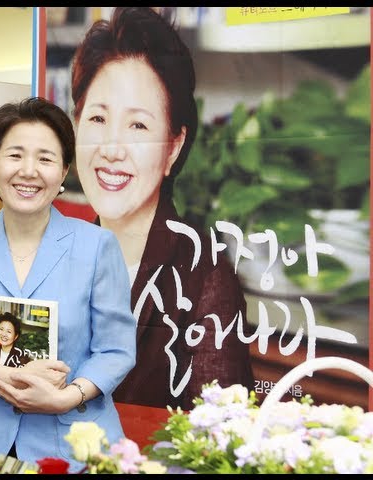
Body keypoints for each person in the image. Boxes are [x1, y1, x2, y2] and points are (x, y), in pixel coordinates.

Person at [0, 97, 136, 470]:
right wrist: (8, 378)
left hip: (77, 443)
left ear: (64, 171)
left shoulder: (97, 246)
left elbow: (116, 350)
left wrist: (67, 397)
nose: (29, 171)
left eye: (45, 159)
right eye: (15, 155)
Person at [70, 7, 254, 411]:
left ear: (173, 147)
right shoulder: (60, 253)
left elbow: (218, 430)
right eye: (98, 118)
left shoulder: (204, 276)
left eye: (138, 125)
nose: (111, 149)